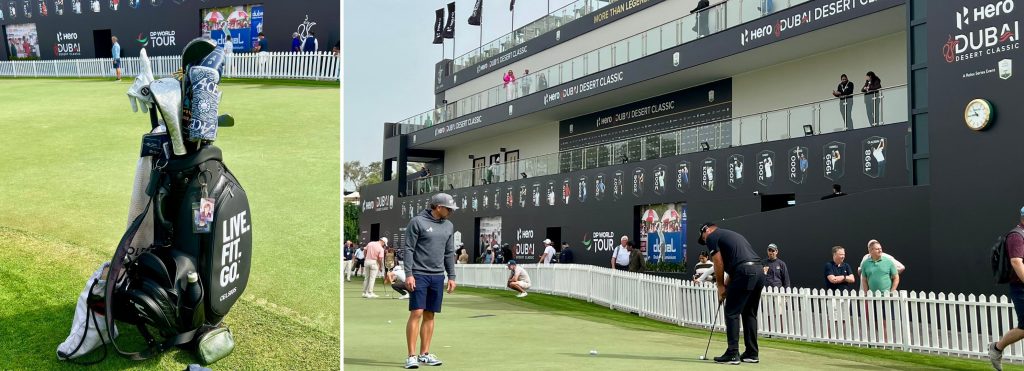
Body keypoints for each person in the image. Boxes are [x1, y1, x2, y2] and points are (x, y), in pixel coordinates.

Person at [402, 193, 458, 369]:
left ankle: (424, 354)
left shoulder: (448, 226)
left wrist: (452, 276)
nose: (450, 211)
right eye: (448, 208)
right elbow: (409, 249)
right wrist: (409, 274)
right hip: (418, 274)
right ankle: (411, 356)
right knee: (417, 312)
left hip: (437, 275)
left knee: (430, 314)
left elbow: (449, 253)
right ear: (438, 207)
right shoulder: (417, 222)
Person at [698, 222, 764, 364]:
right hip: (758, 271)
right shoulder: (731, 235)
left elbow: (718, 262)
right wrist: (727, 284)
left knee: (731, 312)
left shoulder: (712, 237)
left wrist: (720, 286)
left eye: (703, 238)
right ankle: (752, 353)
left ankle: (732, 353)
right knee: (749, 313)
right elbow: (738, 263)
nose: (705, 242)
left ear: (706, 230)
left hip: (745, 271)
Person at [988, 207, 1024, 371]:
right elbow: (1016, 262)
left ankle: (996, 348)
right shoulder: (1016, 236)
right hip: (1021, 287)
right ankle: (996, 348)